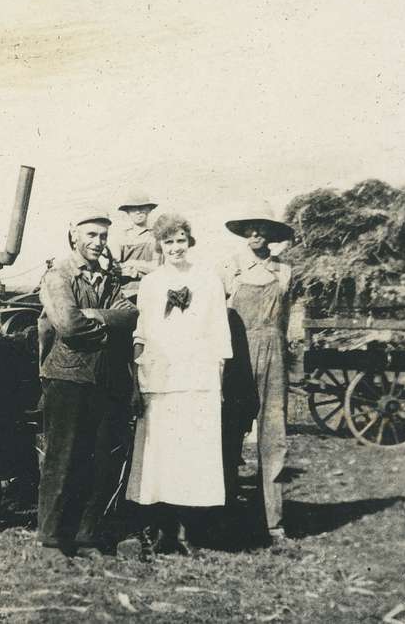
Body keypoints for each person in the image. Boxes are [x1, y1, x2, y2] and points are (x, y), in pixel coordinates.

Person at [125, 214, 232, 555]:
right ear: (159, 245)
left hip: (197, 379)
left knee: (192, 455)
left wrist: (217, 378)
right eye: (168, 241)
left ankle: (189, 533)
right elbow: (141, 331)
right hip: (160, 378)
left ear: (190, 241)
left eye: (181, 240)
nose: (175, 247)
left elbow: (219, 331)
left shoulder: (208, 280)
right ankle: (161, 530)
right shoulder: (152, 283)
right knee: (161, 455)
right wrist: (139, 375)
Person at [37, 207, 138, 557]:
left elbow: (130, 313)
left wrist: (95, 315)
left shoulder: (106, 278)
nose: (98, 242)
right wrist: (107, 329)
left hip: (104, 379)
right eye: (91, 235)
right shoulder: (58, 276)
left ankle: (85, 536)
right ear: (74, 236)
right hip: (67, 377)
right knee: (63, 459)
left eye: (103, 236)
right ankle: (52, 540)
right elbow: (67, 323)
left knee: (99, 460)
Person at [220, 204, 294, 545]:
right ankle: (224, 513)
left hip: (274, 355)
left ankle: (272, 522)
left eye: (261, 229)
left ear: (272, 235)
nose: (255, 235)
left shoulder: (285, 271)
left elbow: (288, 318)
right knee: (230, 433)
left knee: (273, 436)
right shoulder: (230, 269)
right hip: (237, 355)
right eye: (249, 228)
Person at [113, 190, 161, 299]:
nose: (138, 212)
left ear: (149, 209)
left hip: (151, 291)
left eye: (142, 207)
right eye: (133, 209)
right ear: (128, 212)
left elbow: (157, 268)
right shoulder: (121, 237)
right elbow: (115, 267)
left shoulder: (156, 237)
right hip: (125, 292)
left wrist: (134, 271)